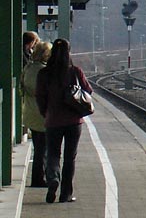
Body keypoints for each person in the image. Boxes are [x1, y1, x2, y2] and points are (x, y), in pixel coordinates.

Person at [36, 38, 93, 204]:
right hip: (74, 121)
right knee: (70, 157)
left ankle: (53, 179)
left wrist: (45, 113)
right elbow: (88, 90)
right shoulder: (75, 71)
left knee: (53, 154)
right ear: (69, 52)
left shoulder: (44, 73)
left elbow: (40, 96)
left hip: (53, 120)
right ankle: (65, 194)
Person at [20, 40, 52, 187]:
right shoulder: (43, 71)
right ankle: (39, 178)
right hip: (41, 114)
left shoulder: (28, 68)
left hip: (30, 112)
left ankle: (38, 177)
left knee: (39, 147)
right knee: (42, 149)